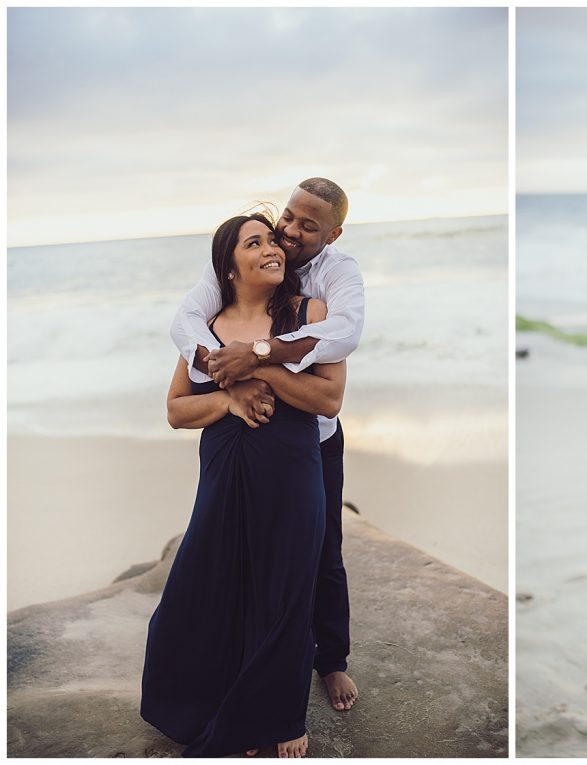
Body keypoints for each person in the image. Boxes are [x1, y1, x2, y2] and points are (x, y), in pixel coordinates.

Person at [141, 213, 346, 757]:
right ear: (229, 269)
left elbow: (328, 401)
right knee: (210, 580)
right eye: (254, 243)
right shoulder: (205, 330)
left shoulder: (310, 313)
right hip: (226, 464)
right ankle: (202, 697)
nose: (272, 249)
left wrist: (259, 370)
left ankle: (280, 716)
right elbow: (177, 411)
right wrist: (229, 398)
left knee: (285, 588)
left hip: (291, 465)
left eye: (272, 240)